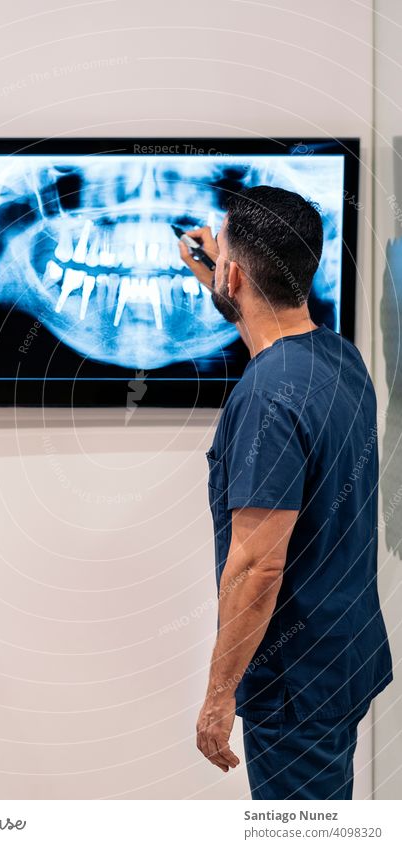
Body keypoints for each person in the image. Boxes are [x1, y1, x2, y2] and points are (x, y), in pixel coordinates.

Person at [178, 186, 393, 800]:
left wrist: (218, 700)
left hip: (294, 683)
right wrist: (218, 279)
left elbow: (258, 564)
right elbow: (269, 327)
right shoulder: (339, 356)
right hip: (340, 656)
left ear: (236, 272)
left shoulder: (266, 395)